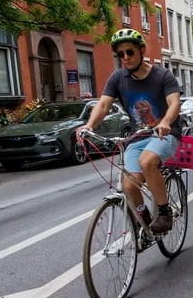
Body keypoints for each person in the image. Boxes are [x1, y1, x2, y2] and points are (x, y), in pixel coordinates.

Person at [77, 28, 182, 233]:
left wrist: (166, 121)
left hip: (165, 134)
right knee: (129, 184)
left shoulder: (162, 75)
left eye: (130, 52)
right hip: (137, 137)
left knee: (147, 162)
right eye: (120, 54)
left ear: (141, 50)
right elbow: (103, 105)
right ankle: (144, 218)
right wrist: (89, 125)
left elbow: (174, 102)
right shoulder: (117, 78)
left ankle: (164, 212)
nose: (125, 58)